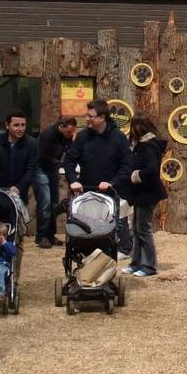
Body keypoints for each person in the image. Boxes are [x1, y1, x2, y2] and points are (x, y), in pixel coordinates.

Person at [65, 101, 135, 251]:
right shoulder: (82, 136)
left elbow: (127, 166)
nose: (87, 119)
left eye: (90, 116)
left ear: (102, 117)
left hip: (112, 192)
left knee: (113, 229)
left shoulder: (119, 138)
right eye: (86, 115)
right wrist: (73, 180)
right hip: (87, 192)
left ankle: (123, 247)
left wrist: (112, 182)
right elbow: (69, 160)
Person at [124, 114, 167, 278]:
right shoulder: (139, 145)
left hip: (148, 194)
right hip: (140, 194)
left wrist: (136, 175)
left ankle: (149, 266)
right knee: (136, 229)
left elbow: (152, 169)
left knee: (144, 230)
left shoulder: (149, 146)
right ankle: (135, 263)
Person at [33, 115, 78, 248]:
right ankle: (41, 236)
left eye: (72, 132)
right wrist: (61, 164)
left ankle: (50, 235)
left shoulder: (67, 136)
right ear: (61, 127)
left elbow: (70, 151)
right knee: (45, 202)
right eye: (69, 131)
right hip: (41, 168)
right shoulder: (48, 135)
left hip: (53, 169)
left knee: (53, 203)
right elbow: (43, 156)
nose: (70, 134)